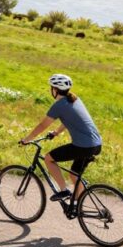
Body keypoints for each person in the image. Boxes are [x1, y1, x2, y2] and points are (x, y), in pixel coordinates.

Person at [20, 74, 102, 202]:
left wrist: (27, 139)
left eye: (51, 87)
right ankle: (77, 205)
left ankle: (64, 191)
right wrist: (57, 132)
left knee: (48, 159)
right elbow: (70, 119)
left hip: (83, 146)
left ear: (55, 90)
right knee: (74, 175)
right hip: (96, 144)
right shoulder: (74, 99)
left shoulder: (59, 105)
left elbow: (43, 125)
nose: (50, 90)